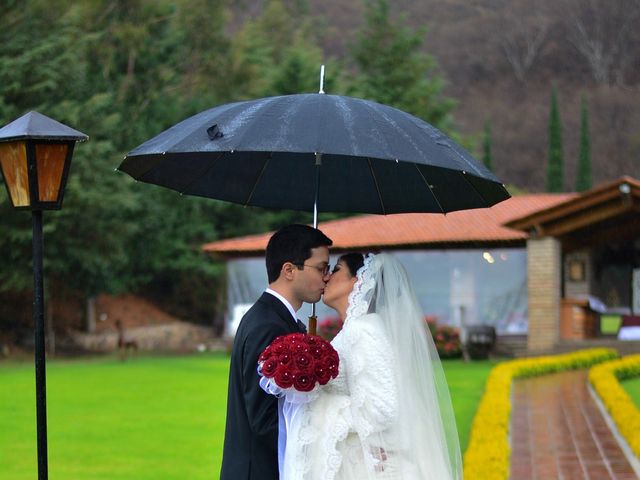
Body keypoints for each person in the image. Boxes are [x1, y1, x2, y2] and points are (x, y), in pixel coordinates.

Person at [282, 252, 463, 480]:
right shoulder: (354, 330)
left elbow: (381, 408)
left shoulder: (363, 330)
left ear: (358, 280)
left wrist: (321, 405)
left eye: (336, 270)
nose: (326, 278)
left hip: (372, 465)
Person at [220, 224, 333, 480]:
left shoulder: (276, 319)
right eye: (321, 267)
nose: (326, 276)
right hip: (260, 470)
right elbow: (264, 419)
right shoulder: (267, 325)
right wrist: (321, 449)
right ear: (289, 270)